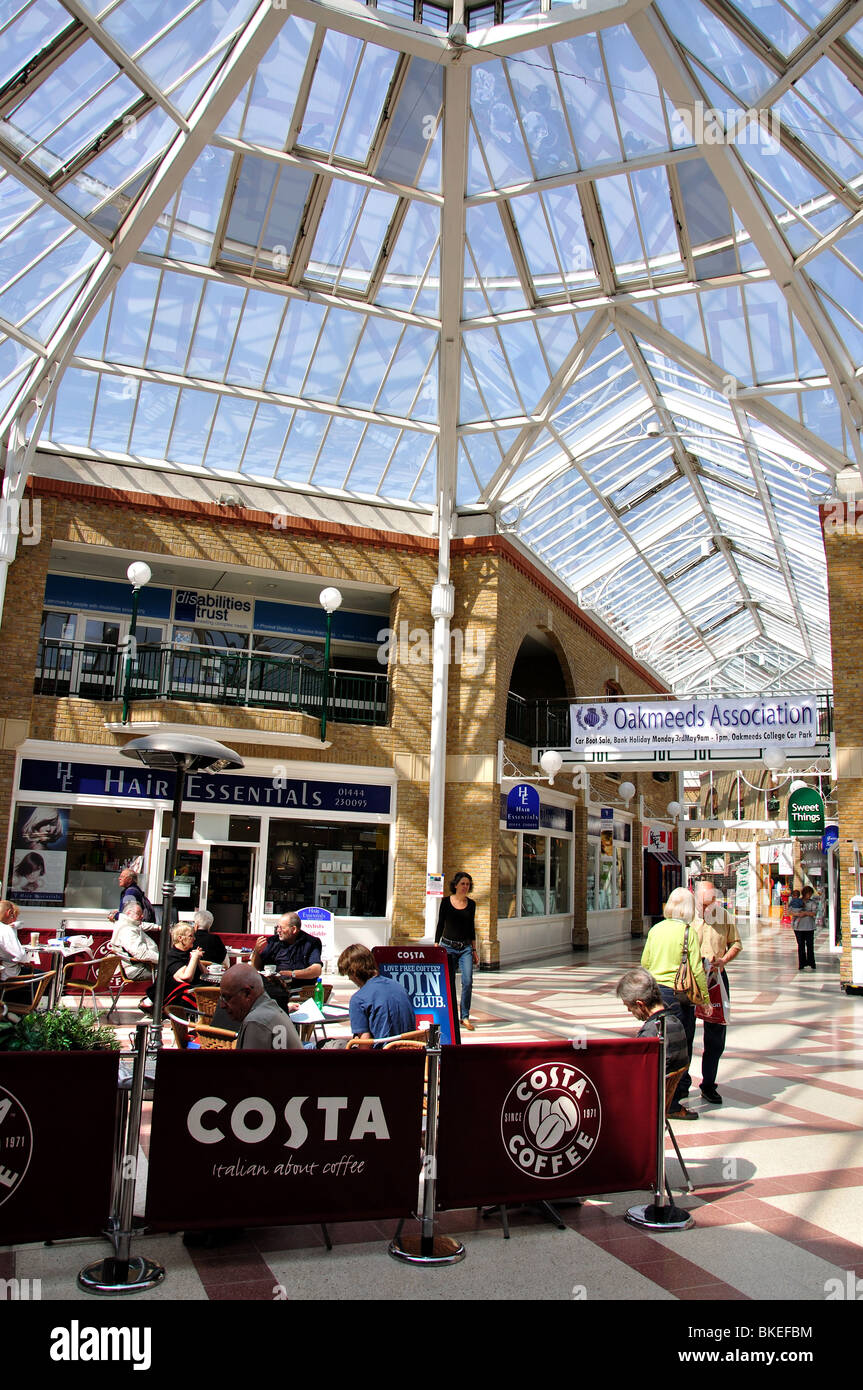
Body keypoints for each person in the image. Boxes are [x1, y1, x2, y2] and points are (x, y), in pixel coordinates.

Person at [641, 886, 711, 1119]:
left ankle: (654, 1089)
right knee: (681, 1046)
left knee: (660, 1042)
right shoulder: (687, 932)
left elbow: (645, 962)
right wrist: (706, 999)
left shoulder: (655, 929)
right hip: (678, 996)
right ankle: (674, 1098)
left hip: (656, 993)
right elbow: (697, 970)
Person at [693, 879, 742, 1105]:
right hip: (690, 979)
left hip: (716, 978)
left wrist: (723, 960)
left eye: (712, 902)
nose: (708, 907)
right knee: (683, 1031)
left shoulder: (723, 916)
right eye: (704, 903)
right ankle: (682, 1084)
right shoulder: (686, 917)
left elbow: (736, 944)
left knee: (715, 1036)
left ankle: (709, 1084)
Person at [616, 967, 689, 1075]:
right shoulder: (677, 1023)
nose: (628, 1010)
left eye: (629, 1006)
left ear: (640, 1004)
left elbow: (636, 1072)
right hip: (669, 1089)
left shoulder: (651, 1033)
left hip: (652, 1089)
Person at [338, 944, 415, 1042]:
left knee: (326, 1045)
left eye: (348, 974)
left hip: (380, 1054)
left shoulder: (358, 999)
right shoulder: (400, 988)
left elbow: (365, 1043)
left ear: (354, 973)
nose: (349, 978)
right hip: (409, 1053)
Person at [218, 964, 303, 1050]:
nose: (222, 1005)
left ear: (247, 993)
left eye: (227, 998)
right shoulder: (269, 1008)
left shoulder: (256, 1021)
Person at [435, 871, 478, 1030]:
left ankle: (464, 1016)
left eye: (467, 884)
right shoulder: (446, 902)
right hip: (447, 946)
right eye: (462, 884)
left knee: (467, 981)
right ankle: (450, 1014)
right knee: (449, 982)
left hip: (465, 947)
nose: (465, 887)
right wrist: (435, 944)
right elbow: (440, 924)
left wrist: (474, 949)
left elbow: (471, 928)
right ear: (455, 885)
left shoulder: (471, 904)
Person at [251, 912, 322, 986]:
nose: (278, 930)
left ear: (294, 929)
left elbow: (316, 970)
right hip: (272, 986)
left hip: (298, 988)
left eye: (281, 928)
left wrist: (292, 974)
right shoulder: (273, 941)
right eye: (277, 927)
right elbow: (257, 967)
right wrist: (256, 951)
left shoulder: (310, 943)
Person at [161, 922, 208, 1013]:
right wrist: (194, 958)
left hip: (197, 989)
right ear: (180, 938)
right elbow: (187, 977)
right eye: (191, 936)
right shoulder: (172, 956)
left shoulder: (188, 952)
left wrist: (197, 959)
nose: (194, 939)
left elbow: (205, 973)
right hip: (181, 997)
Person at [109, 900, 159, 982]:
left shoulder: (127, 924)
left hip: (143, 965)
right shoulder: (127, 931)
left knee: (173, 969)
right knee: (172, 971)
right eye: (138, 913)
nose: (142, 916)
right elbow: (142, 954)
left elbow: (142, 925)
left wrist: (158, 927)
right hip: (137, 969)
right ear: (128, 913)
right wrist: (163, 960)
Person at [790, 884, 817, 970]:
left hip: (809, 927)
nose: (809, 896)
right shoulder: (797, 901)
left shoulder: (812, 903)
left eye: (810, 894)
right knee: (800, 945)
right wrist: (798, 914)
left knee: (810, 945)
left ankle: (811, 962)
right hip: (798, 927)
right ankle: (802, 963)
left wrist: (805, 913)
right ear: (804, 894)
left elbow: (814, 913)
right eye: (808, 894)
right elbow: (791, 911)